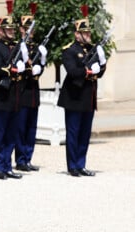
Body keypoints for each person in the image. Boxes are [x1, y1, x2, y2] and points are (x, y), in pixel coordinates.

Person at [57, 11, 106, 177]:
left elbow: (99, 72)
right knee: (73, 133)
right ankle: (73, 166)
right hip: (74, 98)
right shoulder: (69, 51)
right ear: (77, 34)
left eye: (89, 32)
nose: (88, 35)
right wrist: (88, 70)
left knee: (85, 134)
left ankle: (81, 164)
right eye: (85, 33)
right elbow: (73, 71)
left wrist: (102, 62)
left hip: (88, 98)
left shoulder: (93, 49)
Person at [0, 12, 24, 180]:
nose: (11, 31)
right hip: (1, 99)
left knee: (12, 135)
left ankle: (8, 166)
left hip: (15, 98)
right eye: (7, 29)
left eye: (12, 28)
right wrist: (12, 68)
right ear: (0, 31)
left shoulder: (17, 47)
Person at [15, 13, 47, 172]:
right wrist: (29, 69)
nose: (30, 32)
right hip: (21, 92)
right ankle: (20, 159)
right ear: (21, 29)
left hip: (33, 93)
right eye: (27, 28)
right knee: (20, 128)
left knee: (31, 128)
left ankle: (28, 158)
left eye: (32, 29)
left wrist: (41, 63)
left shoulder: (35, 47)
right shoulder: (17, 47)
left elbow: (39, 71)